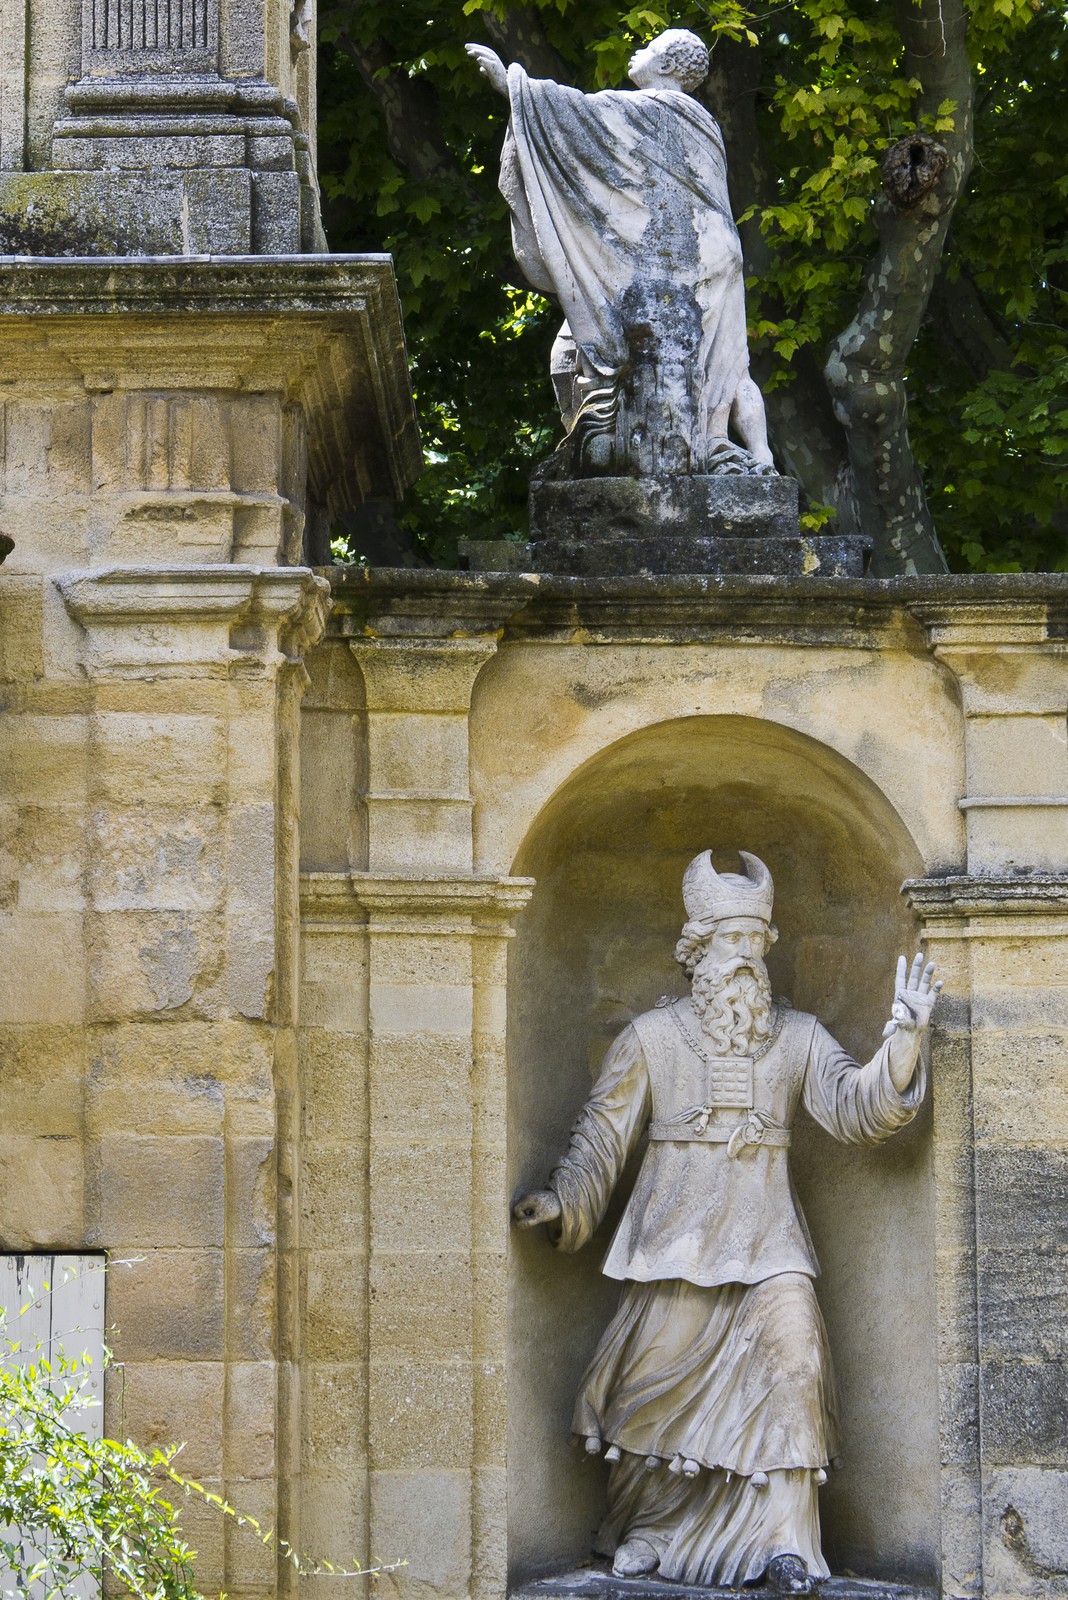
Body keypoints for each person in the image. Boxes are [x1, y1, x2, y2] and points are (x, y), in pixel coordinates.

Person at [514, 849, 940, 1594]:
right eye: (730, 940)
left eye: (755, 941)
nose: (745, 957)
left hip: (770, 1241)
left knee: (796, 1365)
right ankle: (653, 1529)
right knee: (651, 1392)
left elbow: (855, 1109)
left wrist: (901, 1046)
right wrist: (564, 1199)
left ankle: (787, 1545)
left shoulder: (798, 1037)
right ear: (698, 946)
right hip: (672, 1243)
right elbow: (600, 1139)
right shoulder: (651, 1039)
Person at [466, 30, 774, 477]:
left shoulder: (651, 109)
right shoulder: (704, 122)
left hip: (681, 263)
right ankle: (737, 447)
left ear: (666, 66)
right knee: (726, 361)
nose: (636, 51)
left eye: (647, 48)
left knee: (593, 348)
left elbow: (578, 117)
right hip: (718, 255)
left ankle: (623, 435)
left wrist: (512, 84)